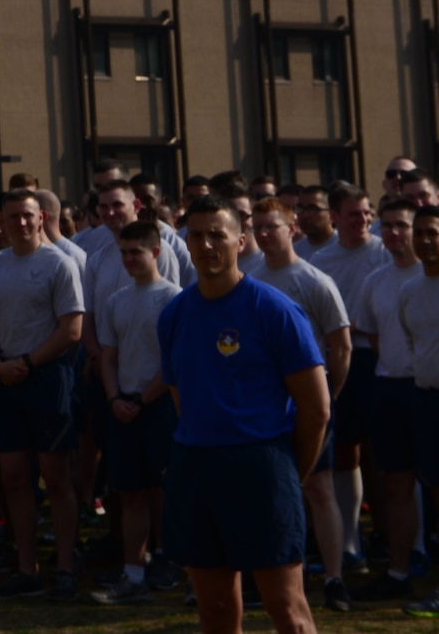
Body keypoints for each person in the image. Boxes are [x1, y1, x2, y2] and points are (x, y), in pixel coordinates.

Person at [160, 195, 328, 634]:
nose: (206, 244)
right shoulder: (175, 314)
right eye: (196, 235)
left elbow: (316, 408)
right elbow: (183, 397)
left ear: (240, 238)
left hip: (261, 465)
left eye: (218, 234)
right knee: (214, 609)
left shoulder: (273, 309)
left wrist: (289, 471)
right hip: (196, 466)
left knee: (286, 608)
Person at [0, 187, 86, 599]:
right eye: (12, 217)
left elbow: (71, 329)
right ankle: (27, 567)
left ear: (41, 217)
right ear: (1, 221)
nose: (20, 223)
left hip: (46, 378)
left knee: (56, 478)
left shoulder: (60, 264)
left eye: (27, 215)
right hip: (4, 376)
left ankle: (64, 566)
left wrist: (27, 363)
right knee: (14, 477)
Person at [250, 198, 355, 611]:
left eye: (270, 226)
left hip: (309, 401)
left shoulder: (314, 280)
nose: (262, 234)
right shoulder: (251, 279)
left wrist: (327, 397)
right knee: (266, 490)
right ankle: (270, 574)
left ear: (291, 228)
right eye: (256, 226)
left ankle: (333, 578)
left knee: (319, 488)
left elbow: (341, 346)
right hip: (264, 404)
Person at [90, 219, 181, 605]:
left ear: (156, 252)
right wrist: (115, 399)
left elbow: (175, 364)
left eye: (136, 252)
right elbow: (109, 357)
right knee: (129, 493)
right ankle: (133, 571)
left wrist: (143, 399)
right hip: (123, 405)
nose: (128, 259)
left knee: (164, 489)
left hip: (158, 406)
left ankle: (169, 560)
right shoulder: (116, 301)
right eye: (124, 253)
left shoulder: (174, 299)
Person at [310, 184, 389, 568]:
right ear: (335, 217)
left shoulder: (385, 251)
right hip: (341, 361)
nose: (362, 220)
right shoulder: (322, 262)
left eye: (366, 212)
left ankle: (390, 536)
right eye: (353, 214)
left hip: (378, 359)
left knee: (382, 452)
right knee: (344, 453)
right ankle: (349, 542)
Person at [351, 196, 423, 603]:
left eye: (402, 225)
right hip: (389, 388)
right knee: (395, 483)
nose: (394, 233)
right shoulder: (374, 281)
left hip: (428, 389)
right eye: (389, 225)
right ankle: (398, 573)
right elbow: (374, 337)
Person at [395, 206, 439, 616]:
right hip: (426, 399)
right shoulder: (409, 291)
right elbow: (413, 344)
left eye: (433, 232)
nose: (426, 240)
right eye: (421, 233)